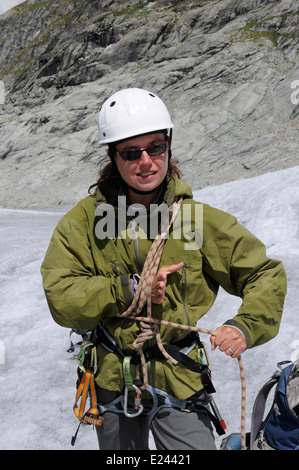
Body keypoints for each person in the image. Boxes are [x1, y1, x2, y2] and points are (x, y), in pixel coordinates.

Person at [41, 88, 287, 450]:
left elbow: (264, 274)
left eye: (155, 147)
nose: (145, 162)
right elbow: (60, 295)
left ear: (168, 147)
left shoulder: (195, 220)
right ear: (113, 156)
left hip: (179, 374)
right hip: (112, 378)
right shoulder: (83, 223)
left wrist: (245, 327)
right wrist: (126, 289)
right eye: (130, 152)